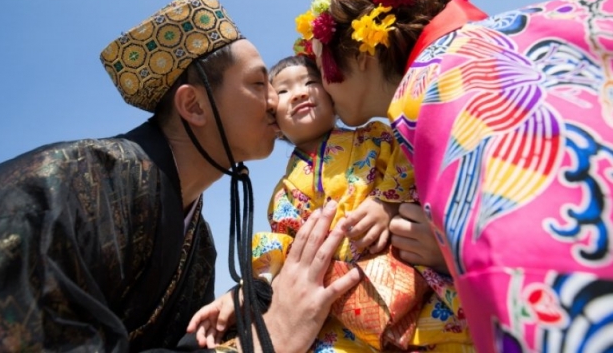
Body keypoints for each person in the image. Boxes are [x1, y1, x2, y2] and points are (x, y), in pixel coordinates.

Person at [0, 0, 361, 353]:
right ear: (193, 106)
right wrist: (270, 338)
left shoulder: (200, 247)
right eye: (259, 83)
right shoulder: (68, 183)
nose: (276, 100)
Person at [300, 0, 613, 352]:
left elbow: (529, 225)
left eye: (321, 66)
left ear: (362, 57)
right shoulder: (480, 46)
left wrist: (457, 248)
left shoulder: (432, 85)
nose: (321, 86)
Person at [188, 53, 475, 352]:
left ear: (333, 96)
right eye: (283, 91)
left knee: (450, 337)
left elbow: (411, 158)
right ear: (273, 121)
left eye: (311, 82)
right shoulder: (284, 193)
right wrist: (249, 290)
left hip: (407, 276)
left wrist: (386, 203)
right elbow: (279, 247)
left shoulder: (376, 137)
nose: (299, 92)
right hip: (341, 309)